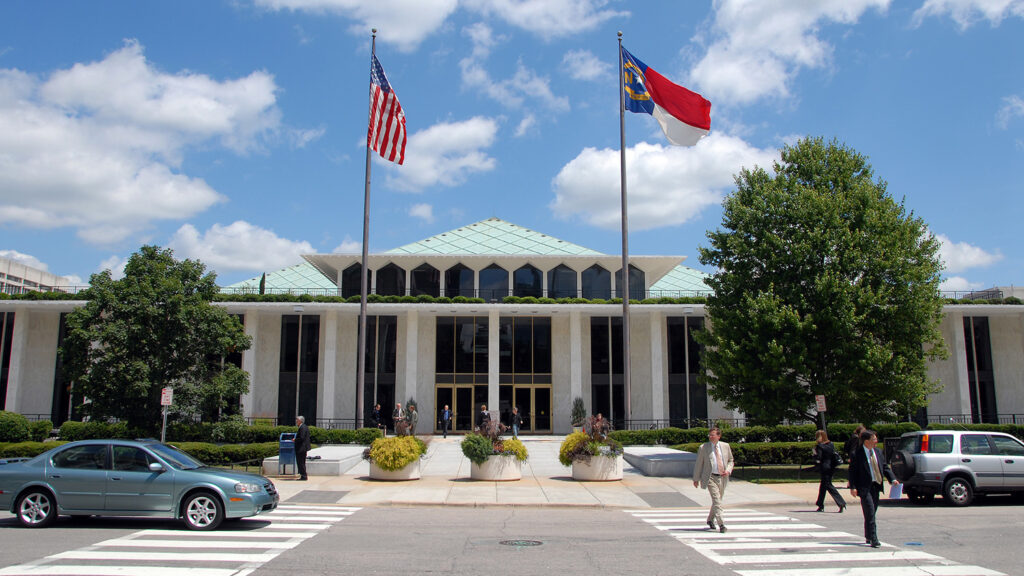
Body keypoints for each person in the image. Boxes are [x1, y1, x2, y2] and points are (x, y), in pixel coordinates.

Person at [849, 429, 899, 548]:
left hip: (876, 485)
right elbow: (852, 472)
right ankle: (874, 538)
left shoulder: (878, 451)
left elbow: (884, 467)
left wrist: (892, 479)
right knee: (870, 511)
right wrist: (853, 487)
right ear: (866, 441)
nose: (876, 441)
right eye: (874, 439)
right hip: (864, 487)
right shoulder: (857, 453)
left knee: (871, 512)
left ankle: (868, 535)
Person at [692, 426, 734, 533]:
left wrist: (728, 470)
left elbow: (731, 460)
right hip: (710, 477)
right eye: (709, 435)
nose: (710, 437)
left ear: (719, 436)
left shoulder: (725, 446)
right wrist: (696, 478)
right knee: (716, 500)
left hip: (722, 477)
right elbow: (699, 464)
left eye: (713, 435)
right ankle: (721, 524)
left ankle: (710, 519)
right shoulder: (704, 448)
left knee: (718, 501)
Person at [813, 429, 847, 513]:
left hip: (824, 467)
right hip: (831, 466)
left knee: (828, 485)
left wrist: (814, 454)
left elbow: (819, 458)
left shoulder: (819, 446)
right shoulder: (831, 444)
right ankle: (820, 504)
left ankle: (841, 502)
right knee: (823, 486)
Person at [295, 415, 310, 481]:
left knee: (301, 462)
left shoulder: (302, 427)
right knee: (301, 462)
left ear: (300, 421)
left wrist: (295, 440)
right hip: (302, 448)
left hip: (301, 448)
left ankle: (303, 476)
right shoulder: (303, 427)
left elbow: (302, 437)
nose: (296, 421)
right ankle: (303, 475)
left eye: (297, 420)